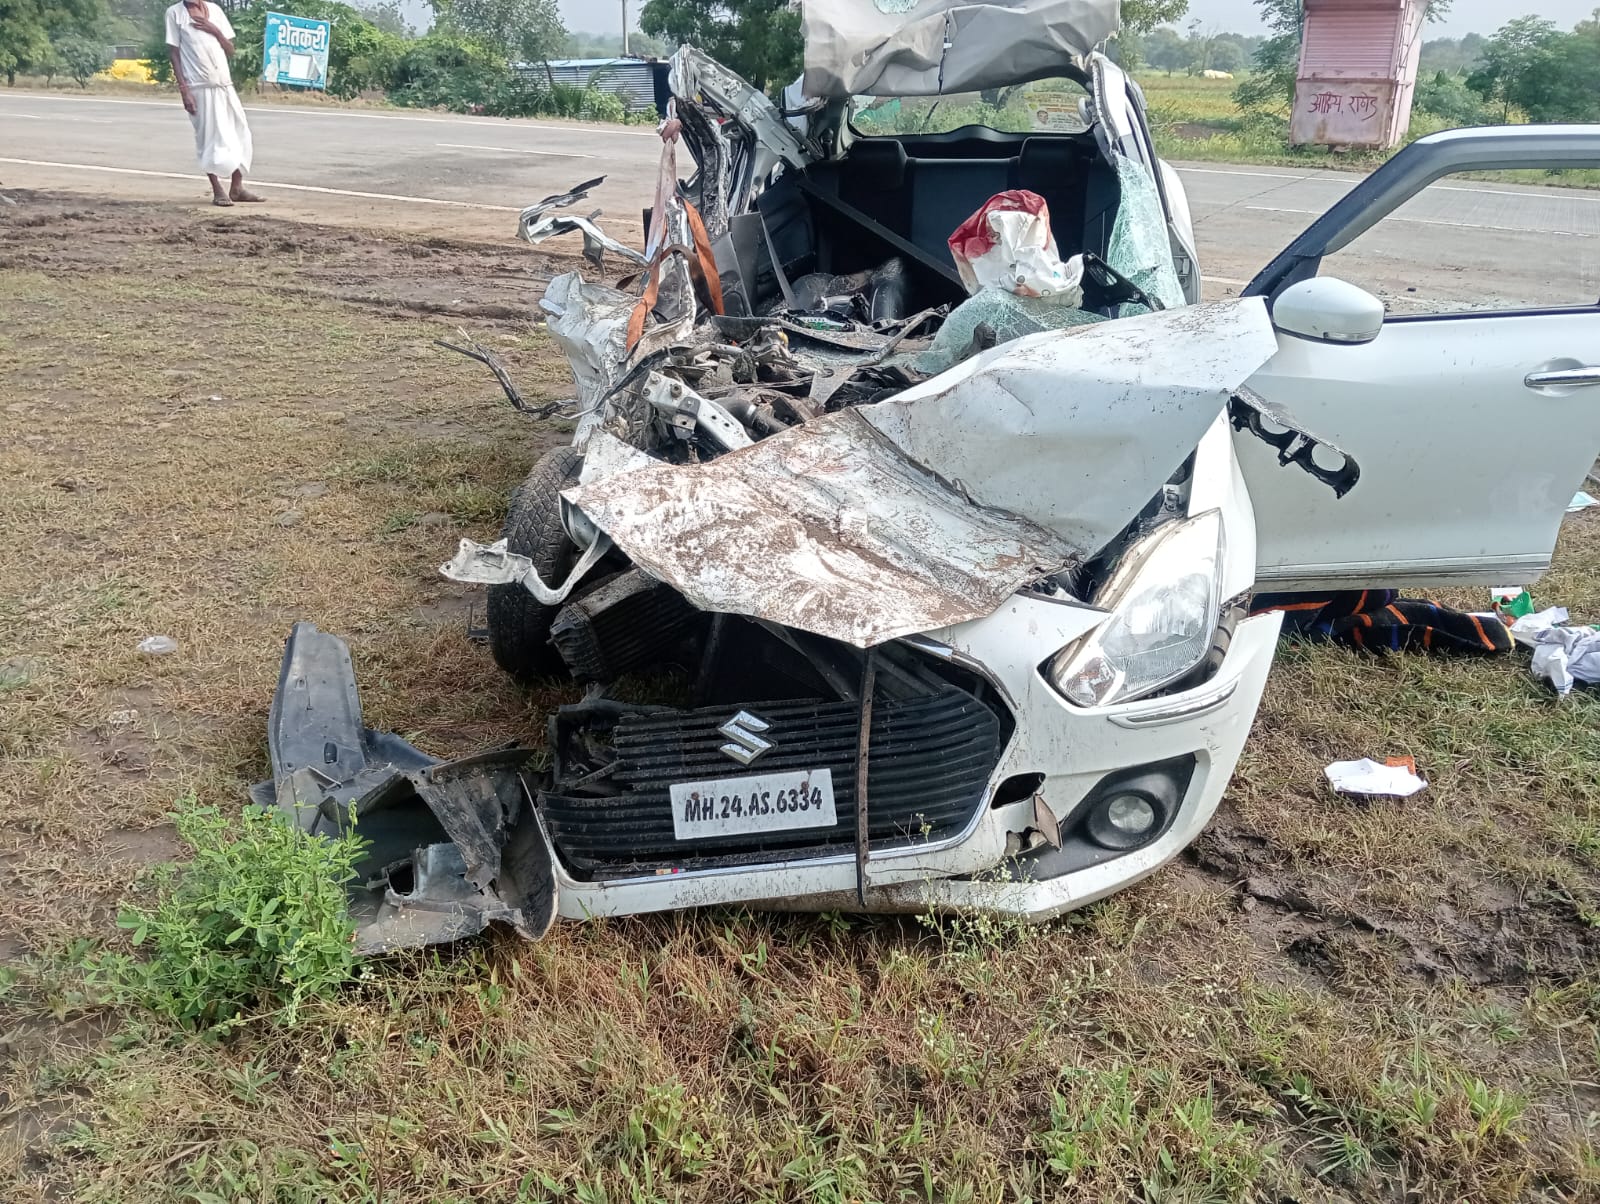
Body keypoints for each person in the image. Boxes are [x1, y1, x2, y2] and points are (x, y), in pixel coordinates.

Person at [165, 0, 263, 207]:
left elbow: (230, 49)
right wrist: (185, 91)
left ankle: (237, 187)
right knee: (209, 139)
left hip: (224, 85)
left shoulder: (215, 11)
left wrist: (214, 30)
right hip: (198, 88)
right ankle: (217, 189)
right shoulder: (175, 13)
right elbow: (174, 54)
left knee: (240, 133)